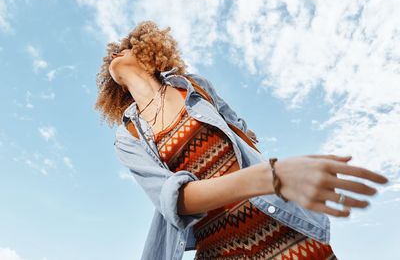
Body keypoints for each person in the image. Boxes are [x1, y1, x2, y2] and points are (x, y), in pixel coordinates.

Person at [95, 20, 389, 260]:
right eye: (112, 55)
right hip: (218, 247)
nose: (116, 54)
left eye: (124, 49)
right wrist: (269, 175)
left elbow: (239, 128)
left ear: (147, 54)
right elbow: (174, 199)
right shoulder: (128, 137)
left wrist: (261, 163)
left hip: (278, 226)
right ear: (114, 84)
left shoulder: (194, 86)